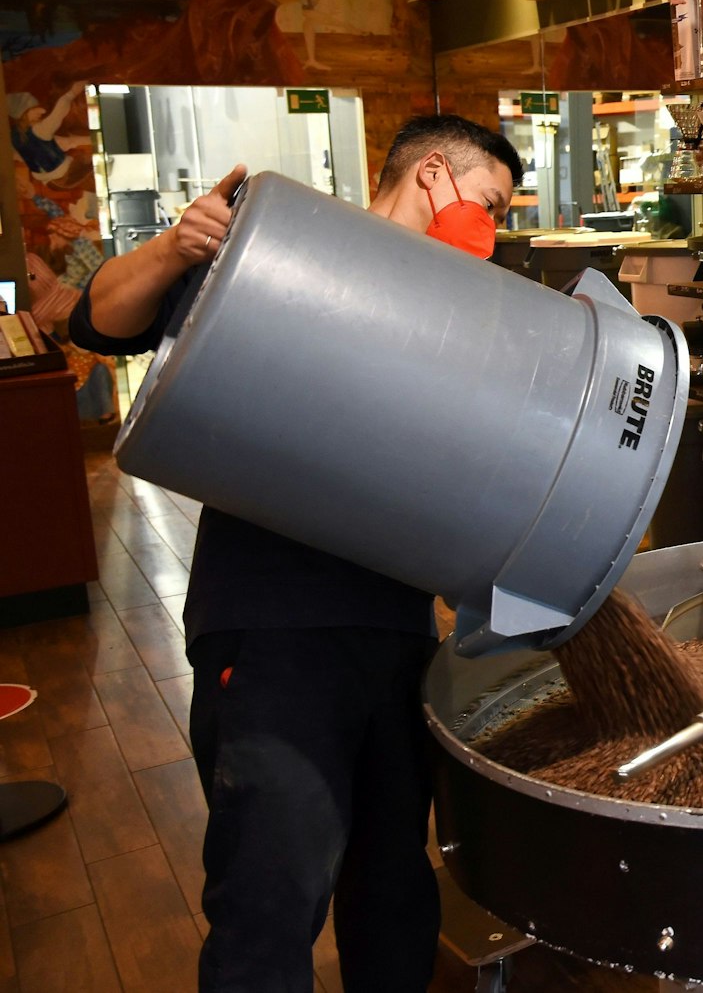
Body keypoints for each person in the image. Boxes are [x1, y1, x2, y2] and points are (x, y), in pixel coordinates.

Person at [69, 114, 521, 993]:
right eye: (491, 202)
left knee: (393, 892)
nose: (494, 225)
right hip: (274, 629)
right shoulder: (284, 253)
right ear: (435, 176)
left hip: (396, 631)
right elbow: (98, 319)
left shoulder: (460, 308)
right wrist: (175, 248)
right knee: (270, 896)